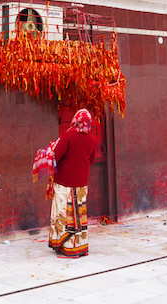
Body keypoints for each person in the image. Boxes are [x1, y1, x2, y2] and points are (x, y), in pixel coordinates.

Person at [48, 108, 97, 258]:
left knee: (64, 214)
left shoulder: (68, 136)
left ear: (76, 121)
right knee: (79, 214)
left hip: (65, 184)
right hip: (81, 185)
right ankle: (81, 248)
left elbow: (56, 157)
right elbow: (91, 161)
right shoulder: (92, 140)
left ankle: (68, 250)